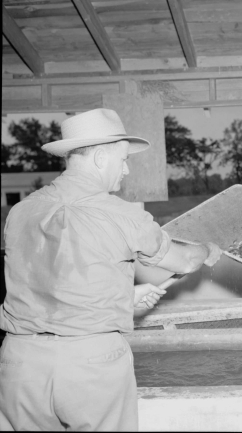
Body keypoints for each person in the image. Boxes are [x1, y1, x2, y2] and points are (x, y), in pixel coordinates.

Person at [0, 108, 222, 431]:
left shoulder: (18, 213)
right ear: (101, 158)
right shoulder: (122, 215)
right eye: (123, 159)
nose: (128, 169)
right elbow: (185, 261)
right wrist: (207, 248)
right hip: (90, 367)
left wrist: (125, 298)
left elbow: (51, 279)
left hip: (19, 363)